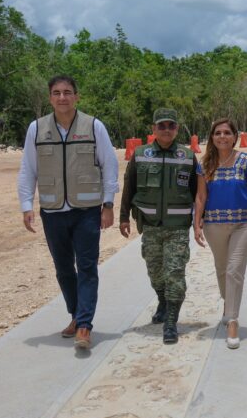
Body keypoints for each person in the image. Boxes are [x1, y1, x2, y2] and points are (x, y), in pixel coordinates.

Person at [18, 75, 119, 350]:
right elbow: (28, 169)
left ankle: (84, 325)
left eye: (67, 92)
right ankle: (76, 315)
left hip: (87, 211)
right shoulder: (36, 129)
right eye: (56, 93)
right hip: (52, 212)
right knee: (63, 269)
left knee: (86, 268)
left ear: (77, 96)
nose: (62, 97)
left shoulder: (94, 126)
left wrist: (108, 204)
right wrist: (26, 205)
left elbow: (109, 165)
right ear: (50, 97)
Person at [119, 108, 197, 344]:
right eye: (161, 126)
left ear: (176, 129)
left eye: (171, 126)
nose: (166, 130)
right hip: (150, 226)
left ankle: (171, 321)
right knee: (155, 273)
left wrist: (201, 220)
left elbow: (198, 191)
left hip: (177, 228)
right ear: (153, 129)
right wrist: (123, 217)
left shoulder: (188, 155)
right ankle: (162, 300)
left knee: (174, 274)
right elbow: (129, 186)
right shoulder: (140, 154)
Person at [194, 118, 247, 349]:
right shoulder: (205, 165)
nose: (222, 137)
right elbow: (201, 196)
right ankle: (229, 304)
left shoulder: (246, 161)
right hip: (214, 225)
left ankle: (232, 319)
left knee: (234, 270)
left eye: (226, 133)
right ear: (212, 137)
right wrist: (196, 223)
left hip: (244, 224)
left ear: (235, 136)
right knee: (222, 270)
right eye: (217, 133)